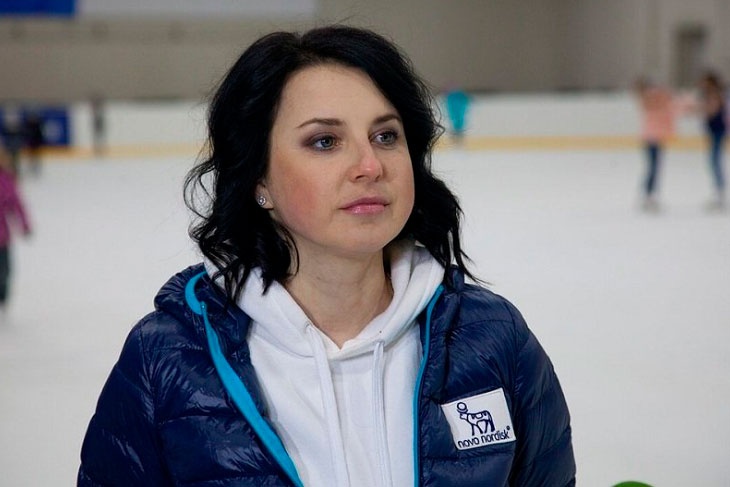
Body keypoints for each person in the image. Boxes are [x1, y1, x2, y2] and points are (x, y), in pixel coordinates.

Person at [78, 26, 575, 486]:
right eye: (325, 141)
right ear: (258, 179)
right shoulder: (166, 360)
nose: (369, 165)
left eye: (386, 136)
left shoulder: (494, 340)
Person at [634, 77, 676, 212]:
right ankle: (648, 195)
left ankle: (650, 195)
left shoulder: (657, 102)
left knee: (654, 168)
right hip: (650, 139)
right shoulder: (649, 101)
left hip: (655, 139)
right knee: (653, 168)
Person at [0, 144, 31, 317]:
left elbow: (16, 204)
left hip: (2, 238)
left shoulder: (6, 180)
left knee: (5, 271)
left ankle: (2, 296)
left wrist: (24, 224)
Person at [698, 71, 727, 210]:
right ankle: (718, 192)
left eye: (705, 81)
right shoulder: (711, 94)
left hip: (718, 131)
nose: (702, 84)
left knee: (714, 161)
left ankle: (719, 193)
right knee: (714, 161)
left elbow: (712, 111)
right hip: (714, 131)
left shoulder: (715, 94)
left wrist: (699, 108)